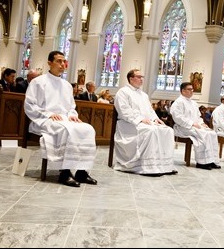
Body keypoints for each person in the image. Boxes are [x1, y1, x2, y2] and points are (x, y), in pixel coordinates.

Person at [24, 50, 98, 187]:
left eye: (64, 61)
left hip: (64, 119)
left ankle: (82, 171)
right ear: (49, 63)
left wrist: (71, 116)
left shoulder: (67, 85)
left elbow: (71, 107)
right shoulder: (38, 82)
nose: (63, 64)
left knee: (88, 129)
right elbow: (29, 105)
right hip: (44, 120)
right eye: (59, 61)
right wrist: (48, 114)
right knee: (65, 131)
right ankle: (64, 172)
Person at [114, 69, 177, 176]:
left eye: (142, 77)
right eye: (139, 77)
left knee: (168, 130)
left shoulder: (144, 95)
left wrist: (155, 119)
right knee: (151, 131)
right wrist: (139, 119)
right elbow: (124, 110)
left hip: (145, 122)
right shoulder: (123, 92)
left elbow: (150, 110)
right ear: (131, 78)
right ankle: (149, 167)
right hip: (129, 124)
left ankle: (165, 166)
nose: (141, 79)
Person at [170, 82, 221, 170]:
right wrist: (191, 123)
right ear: (183, 91)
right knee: (203, 134)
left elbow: (198, 117)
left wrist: (202, 123)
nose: (192, 91)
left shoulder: (193, 103)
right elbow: (178, 118)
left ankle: (211, 160)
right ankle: (202, 162)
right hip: (182, 127)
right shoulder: (178, 103)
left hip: (195, 126)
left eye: (192, 89)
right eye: (189, 89)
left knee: (211, 133)